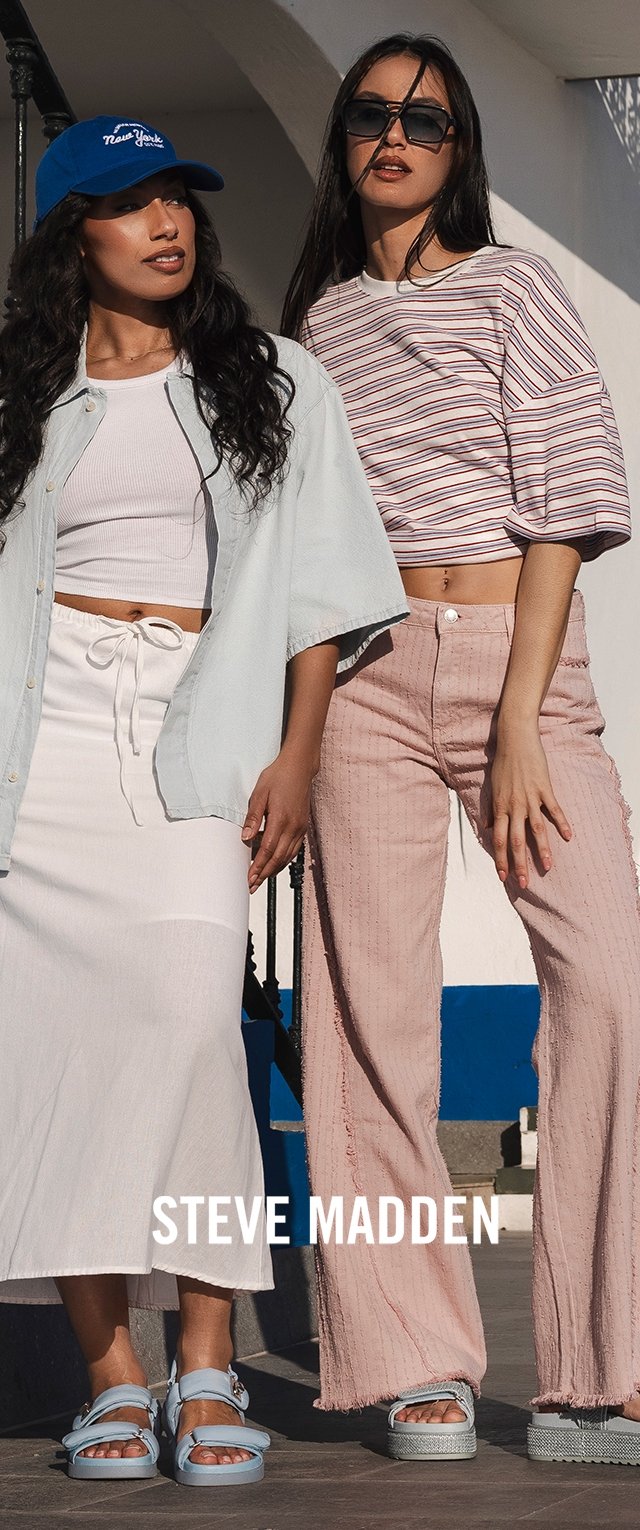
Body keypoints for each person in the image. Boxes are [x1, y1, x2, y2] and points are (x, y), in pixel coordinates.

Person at [0, 115, 409, 1487]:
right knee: (57, 1050)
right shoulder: (17, 388)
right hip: (40, 743)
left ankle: (210, 1356)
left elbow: (316, 587)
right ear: (74, 236)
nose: (166, 223)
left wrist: (295, 753)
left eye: (177, 198)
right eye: (128, 203)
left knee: (187, 1030)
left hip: (199, 721)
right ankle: (114, 1377)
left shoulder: (271, 378)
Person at [282, 33, 640, 1465]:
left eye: (424, 118)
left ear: (459, 145)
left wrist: (517, 720)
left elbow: (566, 501)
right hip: (364, 673)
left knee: (610, 982)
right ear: (345, 141)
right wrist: (295, 743)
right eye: (371, 114)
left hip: (518, 665)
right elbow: (308, 556)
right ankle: (412, 1356)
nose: (395, 134)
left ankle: (598, 1372)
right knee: (367, 1010)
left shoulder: (516, 287)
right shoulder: (319, 326)